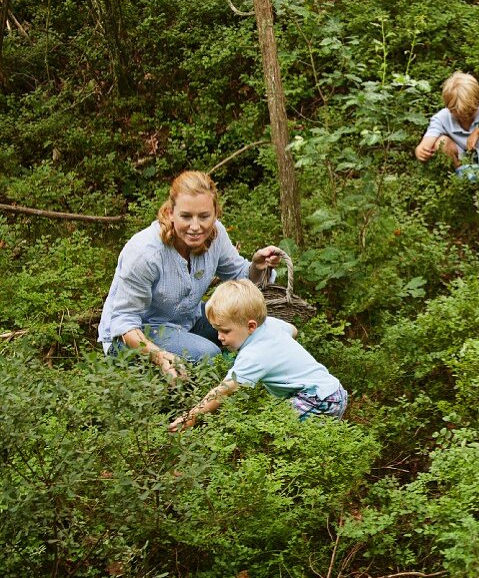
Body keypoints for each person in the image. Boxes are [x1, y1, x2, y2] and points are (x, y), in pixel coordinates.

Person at [97, 170, 282, 378]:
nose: (195, 227)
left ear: (215, 214)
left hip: (187, 319)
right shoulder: (145, 253)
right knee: (208, 355)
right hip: (136, 334)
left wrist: (257, 266)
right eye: (186, 216)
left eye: (204, 216)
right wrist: (158, 355)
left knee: (250, 321)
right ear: (170, 213)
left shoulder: (216, 235)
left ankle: (259, 376)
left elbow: (242, 278)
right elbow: (124, 322)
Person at [169, 280, 347, 430]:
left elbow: (224, 390)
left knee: (273, 431)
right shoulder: (270, 324)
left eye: (225, 331)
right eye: (217, 330)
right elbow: (293, 330)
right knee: (308, 437)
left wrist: (191, 416)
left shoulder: (254, 355)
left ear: (251, 326)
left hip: (316, 399)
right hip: (332, 391)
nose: (219, 337)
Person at [414, 71, 479, 171]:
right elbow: (427, 141)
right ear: (448, 108)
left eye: (471, 113)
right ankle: (461, 174)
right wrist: (421, 151)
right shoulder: (441, 118)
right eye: (459, 115)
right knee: (441, 142)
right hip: (459, 158)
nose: (466, 117)